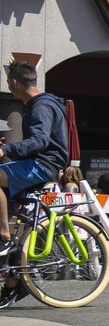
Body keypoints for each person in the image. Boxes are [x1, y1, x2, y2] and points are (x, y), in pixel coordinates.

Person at [0, 54, 70, 244]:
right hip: (41, 163)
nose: (8, 85)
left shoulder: (41, 107)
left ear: (14, 82)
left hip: (42, 165)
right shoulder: (41, 104)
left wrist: (6, 150)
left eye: (8, 82)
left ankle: (4, 236)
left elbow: (39, 141)